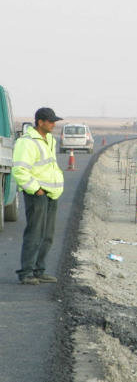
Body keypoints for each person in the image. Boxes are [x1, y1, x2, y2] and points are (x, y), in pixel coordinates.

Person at [12, 108, 65, 285]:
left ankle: (38, 270)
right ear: (40, 122)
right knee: (34, 233)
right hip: (37, 194)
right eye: (50, 121)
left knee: (47, 235)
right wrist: (35, 189)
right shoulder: (26, 142)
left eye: (54, 121)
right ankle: (26, 272)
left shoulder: (50, 139)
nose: (53, 124)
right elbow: (20, 169)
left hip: (51, 193)